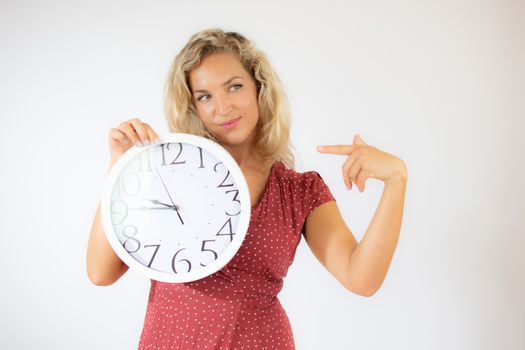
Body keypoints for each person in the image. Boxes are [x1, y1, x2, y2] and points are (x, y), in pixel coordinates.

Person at [86, 28, 408, 349]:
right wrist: (119, 172)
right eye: (205, 96)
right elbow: (101, 273)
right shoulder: (169, 172)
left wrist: (396, 180)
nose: (222, 107)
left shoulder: (299, 191)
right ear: (193, 106)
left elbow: (361, 278)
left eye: (235, 87)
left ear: (260, 89)